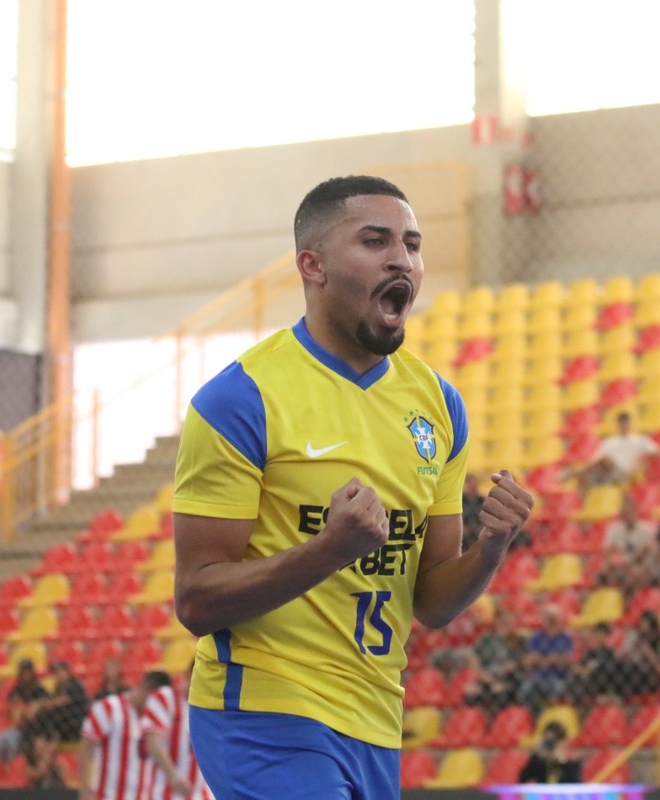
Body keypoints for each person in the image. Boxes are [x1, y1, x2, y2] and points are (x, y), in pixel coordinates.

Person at [172, 175, 534, 800]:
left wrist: (492, 548)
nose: (402, 258)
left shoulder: (439, 406)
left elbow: (433, 603)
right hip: (263, 710)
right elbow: (197, 601)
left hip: (373, 717)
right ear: (312, 265)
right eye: (375, 241)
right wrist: (329, 550)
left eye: (412, 245)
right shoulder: (241, 399)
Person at [79, 671, 190, 800]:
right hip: (109, 795)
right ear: (145, 689)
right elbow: (86, 749)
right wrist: (85, 790)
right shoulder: (109, 708)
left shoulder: (161, 719)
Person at [144, 670, 213, 800]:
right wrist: (173, 774)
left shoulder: (212, 706)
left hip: (201, 793)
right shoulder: (164, 698)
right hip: (164, 792)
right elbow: (153, 742)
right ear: (188, 675)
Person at [570, 411, 660, 488]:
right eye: (621, 424)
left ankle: (572, 474)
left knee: (605, 461)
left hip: (624, 473)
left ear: (629, 424)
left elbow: (656, 452)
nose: (624, 426)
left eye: (625, 423)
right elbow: (595, 460)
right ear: (618, 425)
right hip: (606, 473)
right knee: (584, 475)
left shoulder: (639, 440)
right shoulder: (610, 442)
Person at [516, 604, 576, 715]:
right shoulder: (537, 637)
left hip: (558, 677)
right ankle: (535, 716)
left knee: (557, 690)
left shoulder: (566, 637)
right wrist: (552, 659)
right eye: (548, 618)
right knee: (525, 691)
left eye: (553, 618)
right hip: (538, 677)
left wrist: (542, 659)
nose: (551, 621)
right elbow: (529, 661)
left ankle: (553, 716)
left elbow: (567, 660)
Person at [0, 658, 49, 765]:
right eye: (23, 671)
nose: (26, 675)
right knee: (1, 740)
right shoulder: (15, 692)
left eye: (28, 671)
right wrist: (23, 713)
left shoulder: (40, 690)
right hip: (20, 730)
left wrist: (25, 711)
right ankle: (4, 771)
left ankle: (15, 768)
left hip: (38, 730)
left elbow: (43, 711)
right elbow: (14, 716)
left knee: (13, 742)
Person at [599, 495, 658, 592]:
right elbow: (608, 550)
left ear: (635, 512)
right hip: (622, 564)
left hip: (641, 564)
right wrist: (607, 563)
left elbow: (651, 553)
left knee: (634, 573)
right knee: (601, 574)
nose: (627, 515)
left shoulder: (647, 530)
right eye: (624, 513)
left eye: (629, 512)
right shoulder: (614, 529)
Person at [30, 660, 90, 746]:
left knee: (53, 724)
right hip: (62, 726)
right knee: (44, 723)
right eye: (55, 672)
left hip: (76, 726)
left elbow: (61, 700)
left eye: (60, 671)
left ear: (68, 672)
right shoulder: (58, 688)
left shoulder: (75, 685)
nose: (58, 674)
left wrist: (39, 705)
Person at [517, 721, 583, 784]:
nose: (551, 746)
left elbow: (577, 784)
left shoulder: (572, 765)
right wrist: (536, 756)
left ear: (562, 742)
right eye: (547, 742)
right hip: (543, 794)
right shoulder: (539, 762)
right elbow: (522, 779)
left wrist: (562, 761)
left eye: (553, 742)